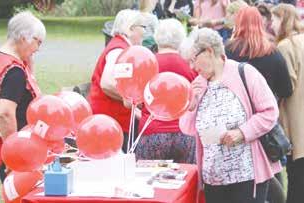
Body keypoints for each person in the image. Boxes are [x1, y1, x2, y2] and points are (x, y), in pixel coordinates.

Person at [179, 28, 281, 203]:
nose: (192, 67)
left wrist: (242, 132)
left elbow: (270, 112)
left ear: (209, 51)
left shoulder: (245, 73)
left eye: (193, 60)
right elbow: (187, 129)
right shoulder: (197, 84)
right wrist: (191, 106)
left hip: (246, 176)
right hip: (213, 179)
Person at [226, 6, 292, 203]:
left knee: (237, 176)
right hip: (265, 123)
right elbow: (287, 90)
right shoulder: (273, 53)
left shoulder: (228, 51)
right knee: (271, 172)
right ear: (261, 23)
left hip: (234, 122)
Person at [0, 11, 45, 182]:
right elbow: (6, 113)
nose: (38, 49)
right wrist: (13, 155)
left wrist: (29, 64)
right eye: (38, 42)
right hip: (11, 143)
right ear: (24, 38)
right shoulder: (14, 71)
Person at [135, 19, 197, 163]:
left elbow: (130, 102)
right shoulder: (190, 65)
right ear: (181, 39)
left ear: (157, 37)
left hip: (152, 132)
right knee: (186, 181)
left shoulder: (147, 64)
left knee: (148, 182)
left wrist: (144, 116)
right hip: (184, 133)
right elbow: (195, 101)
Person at [88, 9, 145, 153]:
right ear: (131, 29)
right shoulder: (119, 49)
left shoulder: (120, 46)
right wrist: (131, 102)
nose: (144, 32)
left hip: (112, 120)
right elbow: (107, 83)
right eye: (142, 27)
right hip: (110, 121)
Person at [271, 4, 304, 203]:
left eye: (274, 20)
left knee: (295, 178)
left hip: (295, 119)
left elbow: (286, 85)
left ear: (282, 20)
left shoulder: (285, 46)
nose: (271, 25)